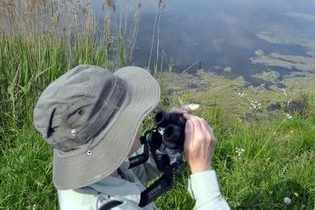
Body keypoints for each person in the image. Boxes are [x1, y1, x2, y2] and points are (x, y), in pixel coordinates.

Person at [33, 65, 230, 210]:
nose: (139, 118)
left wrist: (167, 143)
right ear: (108, 138)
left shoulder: (93, 166)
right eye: (129, 115)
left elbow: (131, 175)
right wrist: (202, 171)